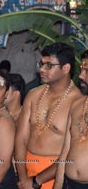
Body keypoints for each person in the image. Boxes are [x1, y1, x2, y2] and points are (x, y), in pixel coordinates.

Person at [14, 42, 82, 189]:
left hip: (55, 177)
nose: (42, 70)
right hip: (25, 173)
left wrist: (36, 181)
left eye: (49, 66)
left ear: (66, 68)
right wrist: (23, 177)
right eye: (41, 64)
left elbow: (70, 153)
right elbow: (21, 139)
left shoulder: (78, 103)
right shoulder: (33, 95)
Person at [53, 50, 88, 189]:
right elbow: (65, 151)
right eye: (81, 69)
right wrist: (57, 185)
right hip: (70, 183)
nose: (80, 75)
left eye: (86, 70)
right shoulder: (77, 105)